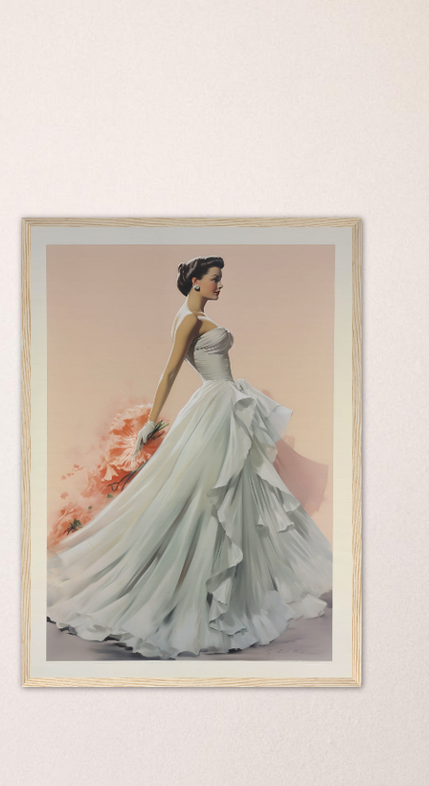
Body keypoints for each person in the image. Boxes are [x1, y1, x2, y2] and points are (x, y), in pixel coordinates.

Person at [46, 256, 333, 658]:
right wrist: (150, 421)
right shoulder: (188, 320)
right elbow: (169, 372)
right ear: (195, 281)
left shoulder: (196, 317)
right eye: (215, 279)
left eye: (221, 279)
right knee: (208, 494)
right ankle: (189, 588)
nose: (220, 285)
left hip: (224, 404)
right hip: (215, 407)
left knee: (235, 491)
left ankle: (230, 586)